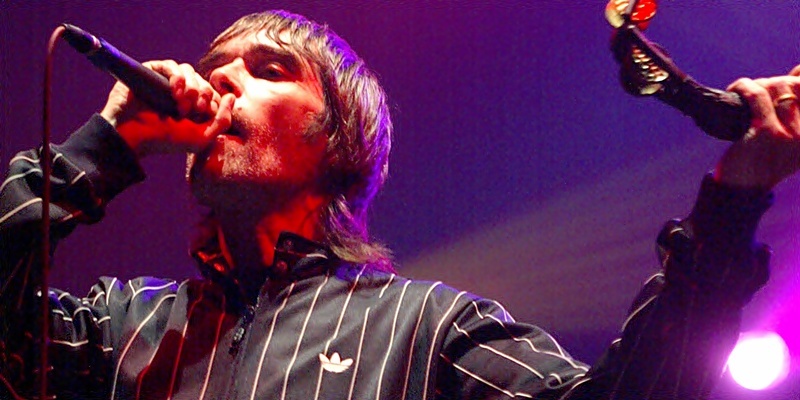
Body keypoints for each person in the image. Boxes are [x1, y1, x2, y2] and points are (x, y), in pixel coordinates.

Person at [1, 9, 798, 400]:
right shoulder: (116, 328)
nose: (222, 82)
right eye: (217, 66)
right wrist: (103, 146)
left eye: (266, 68)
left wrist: (733, 199)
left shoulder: (428, 331)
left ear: (338, 141)